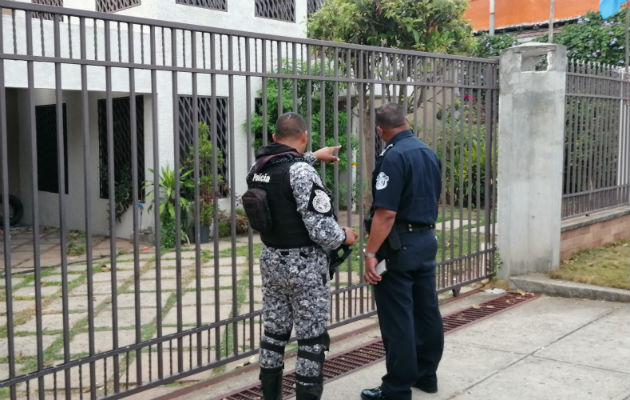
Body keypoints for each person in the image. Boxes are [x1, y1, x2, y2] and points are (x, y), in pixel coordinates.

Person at [246, 112, 358, 400]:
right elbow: (322, 230)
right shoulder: (301, 172)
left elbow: (286, 175)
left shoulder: (258, 168)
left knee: (274, 334)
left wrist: (312, 156)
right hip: (306, 267)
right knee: (311, 340)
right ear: (304, 136)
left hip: (272, 262)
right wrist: (345, 235)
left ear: (274, 138)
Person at [360, 103, 444, 400]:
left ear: (381, 131)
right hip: (425, 240)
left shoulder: (393, 157)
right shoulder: (427, 152)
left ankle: (396, 388)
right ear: (406, 122)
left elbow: (386, 214)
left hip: (399, 247)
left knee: (398, 318)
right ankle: (426, 375)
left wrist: (371, 253)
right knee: (426, 311)